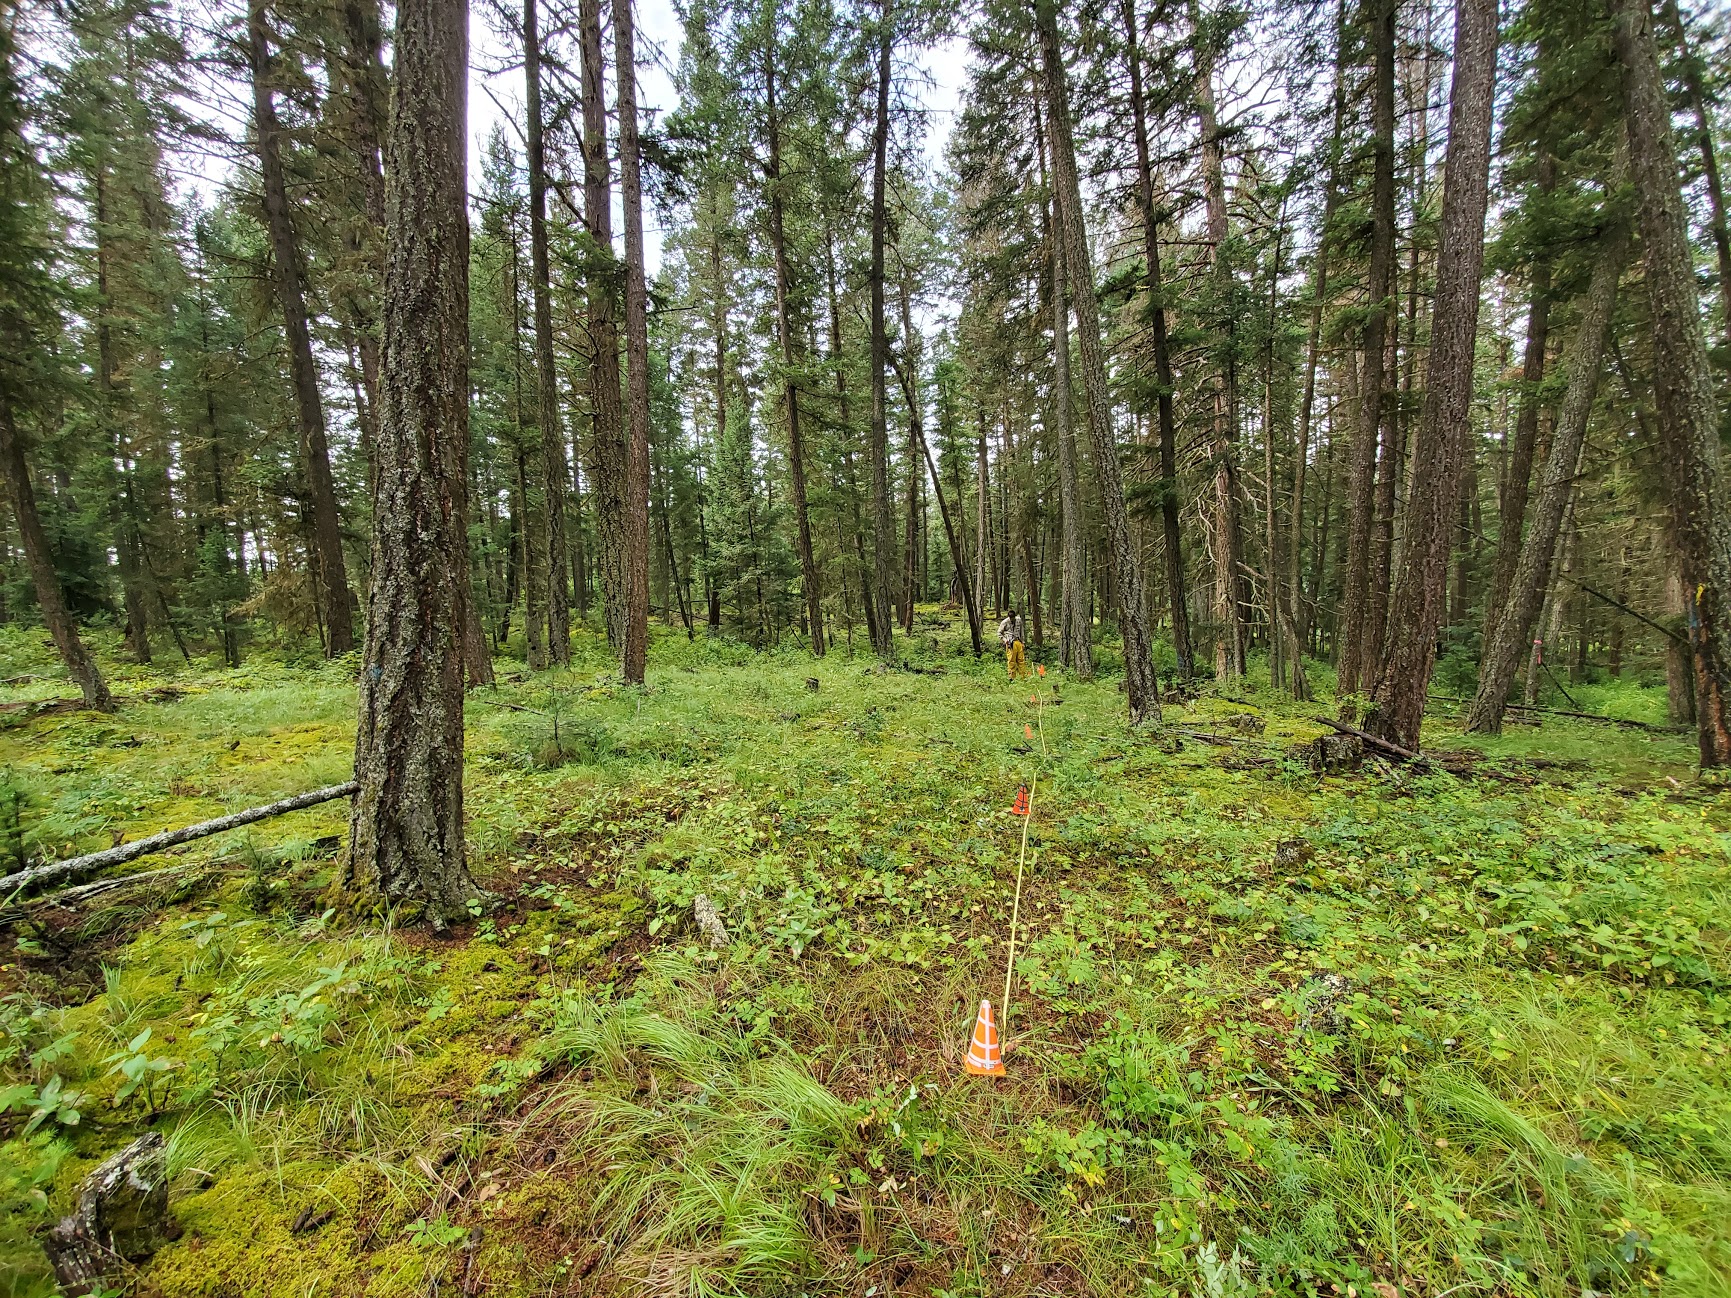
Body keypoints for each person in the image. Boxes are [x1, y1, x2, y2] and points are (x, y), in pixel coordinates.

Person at [998, 609, 1027, 679]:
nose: (1012, 619)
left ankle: (1023, 676)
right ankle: (1011, 677)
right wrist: (1005, 640)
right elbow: (999, 633)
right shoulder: (1004, 622)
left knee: (1021, 660)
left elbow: (1021, 631)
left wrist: (1023, 642)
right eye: (1010, 618)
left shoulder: (1019, 620)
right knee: (1011, 660)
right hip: (1010, 643)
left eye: (1013, 617)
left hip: (1018, 641)